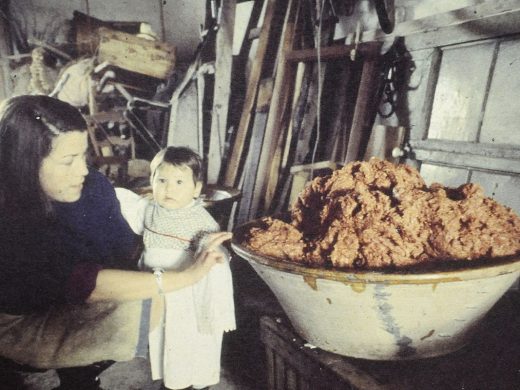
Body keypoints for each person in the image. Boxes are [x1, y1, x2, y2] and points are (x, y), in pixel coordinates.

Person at [0, 95, 232, 390]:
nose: (83, 170)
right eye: (68, 161)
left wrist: (179, 241)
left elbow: (126, 249)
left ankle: (89, 373)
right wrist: (186, 276)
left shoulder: (92, 185)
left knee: (160, 298)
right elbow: (88, 284)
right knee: (163, 289)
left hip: (69, 296)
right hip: (19, 321)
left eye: (83, 156)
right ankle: (73, 376)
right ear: (25, 163)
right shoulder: (10, 217)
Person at [116, 146, 236, 390]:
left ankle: (192, 382)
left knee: (189, 340)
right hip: (155, 287)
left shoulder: (200, 220)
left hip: (186, 292)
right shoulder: (149, 209)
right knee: (161, 339)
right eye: (161, 180)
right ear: (151, 181)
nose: (169, 189)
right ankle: (171, 380)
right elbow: (126, 207)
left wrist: (210, 251)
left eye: (180, 181)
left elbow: (214, 251)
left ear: (197, 188)